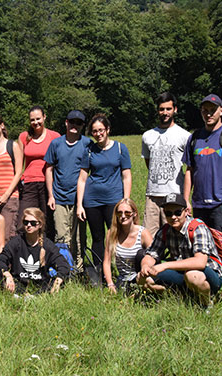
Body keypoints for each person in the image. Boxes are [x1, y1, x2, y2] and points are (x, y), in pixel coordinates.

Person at [182, 94, 222, 296]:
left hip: (220, 203)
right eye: (205, 110)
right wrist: (186, 199)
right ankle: (205, 284)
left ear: (221, 111)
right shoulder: (195, 137)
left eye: (212, 110)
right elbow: (189, 170)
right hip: (199, 202)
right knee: (200, 247)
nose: (208, 114)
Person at [137, 193, 222, 308]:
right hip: (181, 272)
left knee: (192, 276)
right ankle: (181, 297)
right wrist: (145, 267)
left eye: (177, 212)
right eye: (168, 213)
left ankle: (206, 304)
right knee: (143, 279)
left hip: (209, 273)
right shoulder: (165, 230)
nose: (173, 217)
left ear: (186, 212)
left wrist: (165, 266)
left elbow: (200, 262)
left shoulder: (198, 228)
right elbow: (151, 254)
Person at [76, 113, 132, 267]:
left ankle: (121, 269)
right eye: (94, 131)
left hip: (114, 200)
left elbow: (126, 176)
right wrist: (80, 204)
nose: (98, 134)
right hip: (92, 200)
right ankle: (99, 272)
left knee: (117, 235)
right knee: (97, 237)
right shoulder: (89, 150)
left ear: (107, 129)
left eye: (101, 130)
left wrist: (126, 200)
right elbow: (82, 178)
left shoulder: (120, 148)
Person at [44, 110, 91, 272]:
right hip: (59, 198)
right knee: (62, 237)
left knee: (79, 237)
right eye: (72, 122)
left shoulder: (87, 144)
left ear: (83, 126)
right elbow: (48, 170)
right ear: (66, 122)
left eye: (78, 123)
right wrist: (50, 195)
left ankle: (78, 269)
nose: (74, 126)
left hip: (80, 200)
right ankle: (65, 268)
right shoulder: (56, 144)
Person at [141, 92, 190, 237]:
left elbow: (189, 168)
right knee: (149, 239)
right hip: (152, 195)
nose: (165, 113)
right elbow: (149, 163)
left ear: (175, 109)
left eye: (168, 109)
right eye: (162, 109)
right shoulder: (147, 136)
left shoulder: (184, 136)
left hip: (174, 194)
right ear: (157, 110)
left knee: (177, 238)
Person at [0, 207, 70, 294]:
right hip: (17, 284)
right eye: (26, 222)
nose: (29, 225)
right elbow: (0, 261)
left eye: (33, 223)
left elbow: (64, 266)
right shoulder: (16, 242)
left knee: (60, 282)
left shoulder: (48, 245)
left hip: (41, 286)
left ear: (40, 225)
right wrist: (7, 275)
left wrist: (58, 281)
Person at [17, 106, 60, 235]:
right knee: (23, 220)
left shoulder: (54, 136)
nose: (36, 122)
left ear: (44, 117)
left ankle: (46, 251)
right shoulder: (24, 137)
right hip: (29, 183)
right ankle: (24, 251)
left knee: (47, 222)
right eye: (32, 120)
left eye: (38, 119)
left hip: (48, 184)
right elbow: (19, 163)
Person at [103, 198, 152, 294]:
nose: (123, 216)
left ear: (134, 214)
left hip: (141, 278)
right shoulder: (112, 234)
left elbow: (154, 256)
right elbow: (107, 262)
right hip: (123, 280)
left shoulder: (143, 233)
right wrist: (110, 284)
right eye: (119, 213)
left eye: (127, 213)